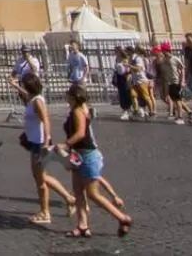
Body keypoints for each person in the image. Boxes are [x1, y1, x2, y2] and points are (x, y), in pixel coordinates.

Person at [57, 83, 133, 239]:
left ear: (72, 96)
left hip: (87, 154)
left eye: (67, 94)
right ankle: (82, 225)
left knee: (93, 194)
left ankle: (122, 218)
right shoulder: (76, 109)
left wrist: (65, 145)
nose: (65, 96)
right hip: (77, 154)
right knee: (78, 192)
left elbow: (80, 134)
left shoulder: (79, 111)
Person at [21, 74, 74, 226]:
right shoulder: (33, 98)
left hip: (39, 144)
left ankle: (45, 212)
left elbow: (46, 120)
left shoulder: (38, 101)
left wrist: (46, 140)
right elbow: (26, 96)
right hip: (34, 142)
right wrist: (14, 85)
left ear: (28, 85)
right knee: (41, 177)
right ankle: (69, 199)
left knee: (40, 180)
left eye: (22, 84)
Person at [156, 46, 184, 124]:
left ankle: (180, 117)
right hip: (169, 82)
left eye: (163, 51)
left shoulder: (175, 59)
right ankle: (176, 115)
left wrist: (183, 80)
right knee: (173, 99)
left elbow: (182, 68)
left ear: (167, 51)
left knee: (178, 100)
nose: (162, 52)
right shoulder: (164, 60)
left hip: (176, 81)